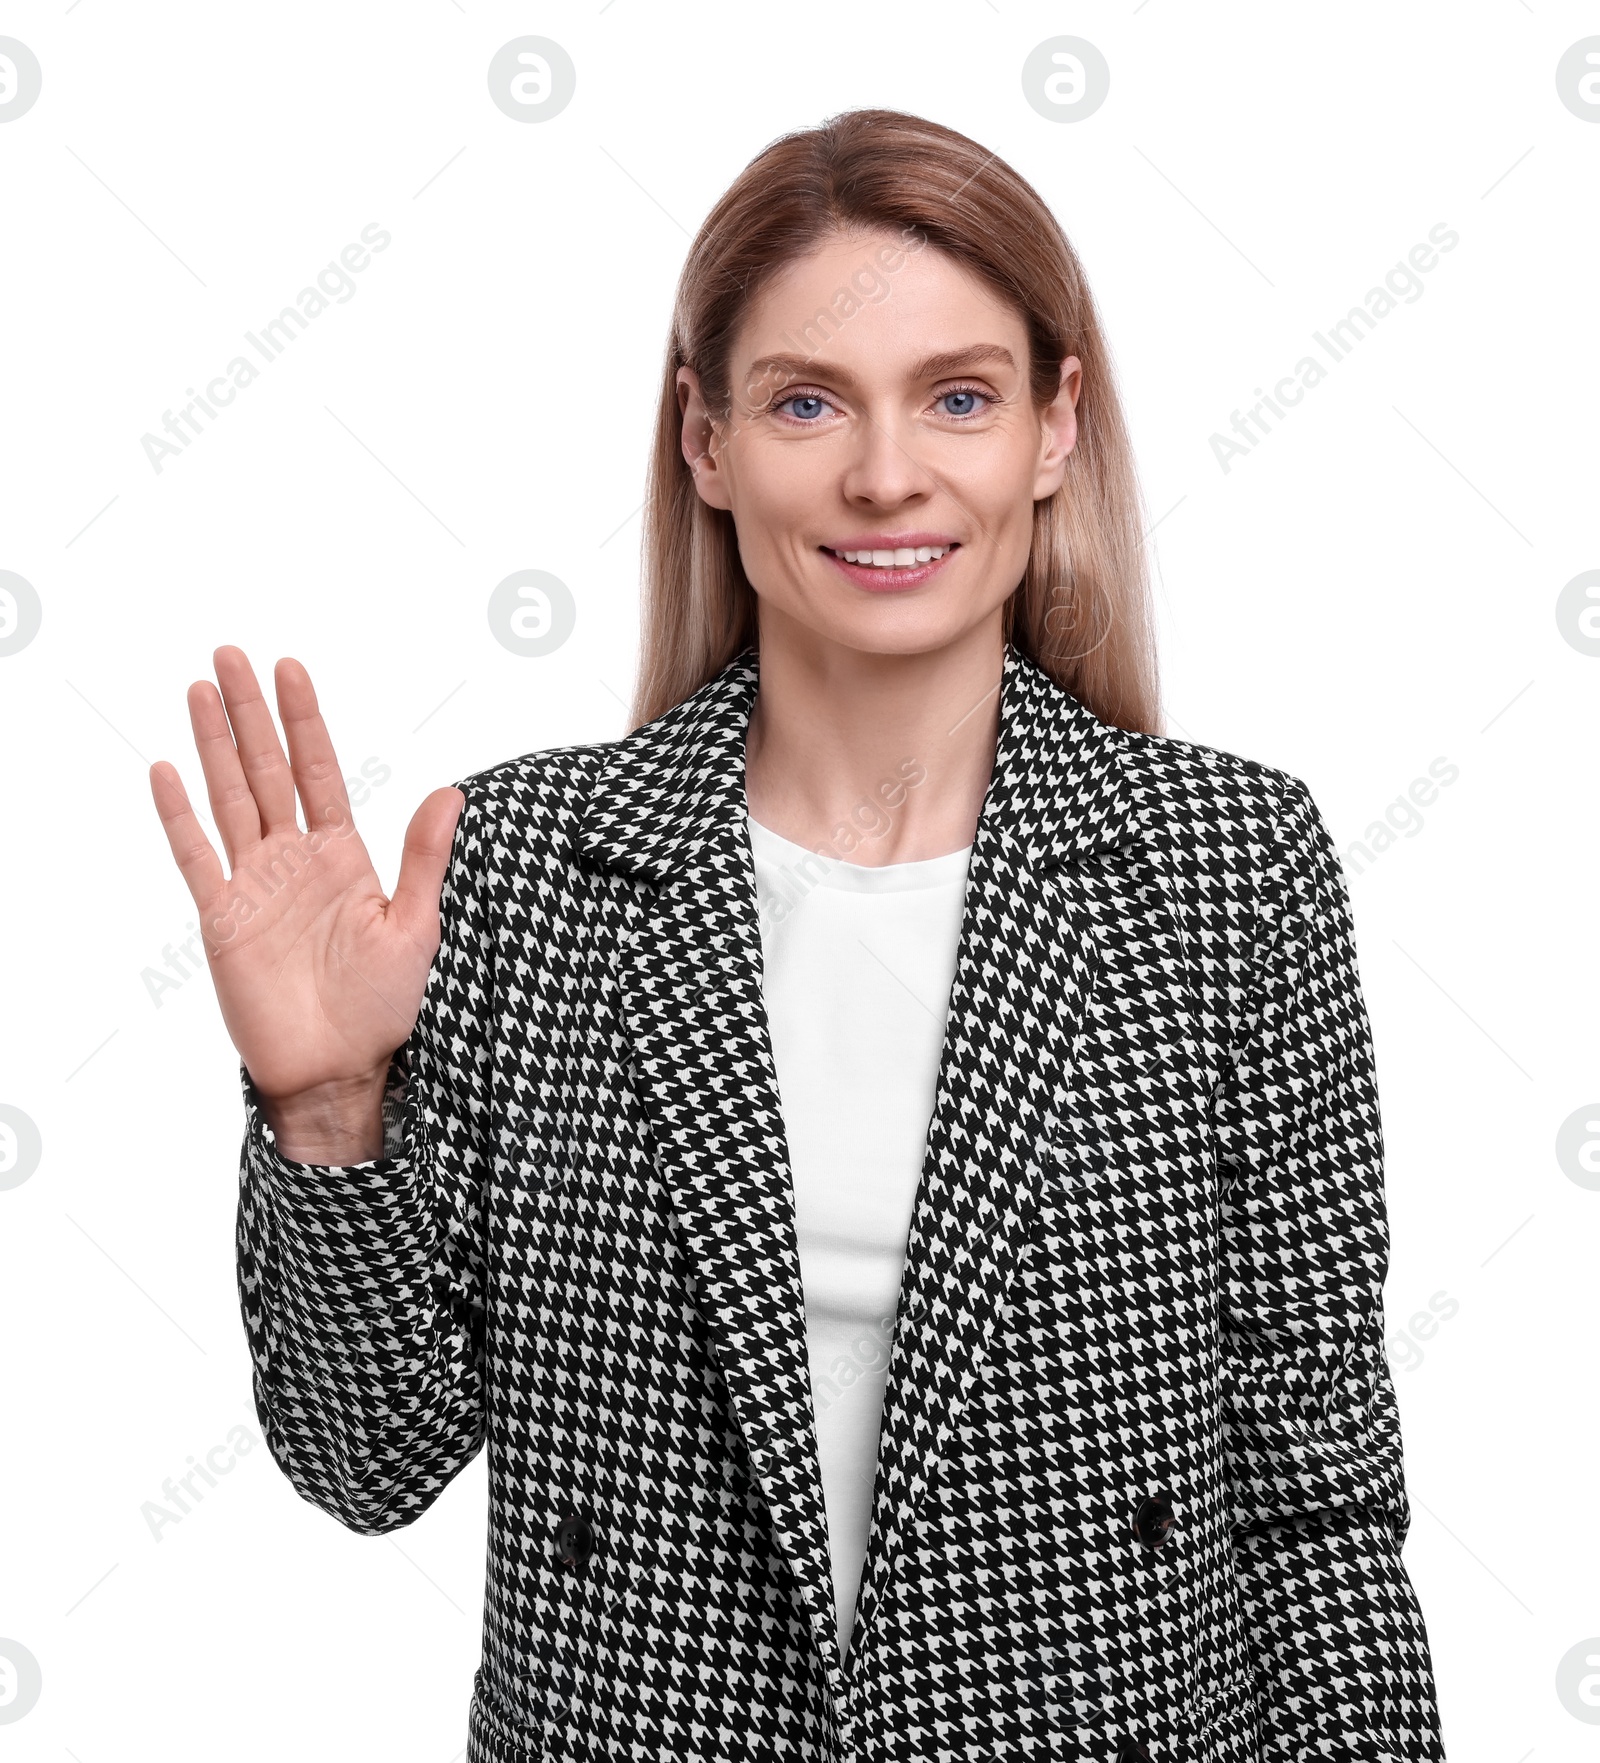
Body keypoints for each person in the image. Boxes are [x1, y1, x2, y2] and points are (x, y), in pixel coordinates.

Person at [149, 109, 1445, 1763]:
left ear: (1055, 428)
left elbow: (1315, 1503)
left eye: (959, 397)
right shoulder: (527, 866)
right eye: (808, 401)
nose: (886, 473)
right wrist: (330, 1114)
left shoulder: (1229, 868)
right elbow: (368, 1458)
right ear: (705, 441)